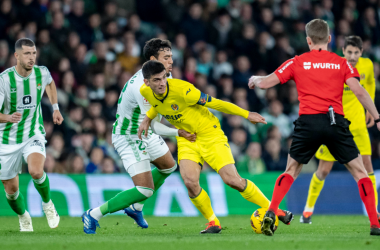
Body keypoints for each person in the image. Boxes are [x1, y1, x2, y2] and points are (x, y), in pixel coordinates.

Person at [248, 19, 380, 236]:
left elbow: (266, 82)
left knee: (291, 170)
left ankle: (271, 211)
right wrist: (377, 116)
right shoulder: (341, 62)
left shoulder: (297, 61)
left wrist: (255, 79)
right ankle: (375, 224)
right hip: (335, 121)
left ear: (308, 40)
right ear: (329, 39)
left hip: (308, 122)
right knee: (360, 172)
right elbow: (359, 91)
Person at [138, 60, 294, 234]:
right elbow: (157, 105)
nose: (161, 83)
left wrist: (246, 114)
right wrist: (147, 119)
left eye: (163, 78)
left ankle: (274, 210)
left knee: (232, 180)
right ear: (147, 82)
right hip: (187, 139)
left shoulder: (184, 90)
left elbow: (216, 103)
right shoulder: (145, 91)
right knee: (190, 182)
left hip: (210, 134)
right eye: (157, 80)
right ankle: (213, 222)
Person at [81, 38, 195, 234]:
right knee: (145, 189)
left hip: (147, 131)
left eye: (171, 57)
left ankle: (136, 208)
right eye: (166, 57)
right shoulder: (142, 88)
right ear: (152, 59)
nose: (171, 61)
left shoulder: (161, 76)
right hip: (129, 135)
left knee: (169, 166)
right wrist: (179, 132)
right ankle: (93, 214)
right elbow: (154, 124)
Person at [300, 36, 379, 224]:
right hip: (335, 125)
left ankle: (374, 212)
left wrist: (370, 108)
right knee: (323, 170)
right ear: (342, 51)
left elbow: (369, 86)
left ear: (362, 52)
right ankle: (307, 211)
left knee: (367, 167)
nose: (352, 56)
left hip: (359, 126)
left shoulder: (367, 65)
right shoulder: (333, 66)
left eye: (356, 52)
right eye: (349, 52)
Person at [0, 38, 63, 232]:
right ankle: (23, 216)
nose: (32, 57)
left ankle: (48, 204)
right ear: (16, 56)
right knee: (11, 193)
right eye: (27, 53)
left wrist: (55, 108)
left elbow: (50, 84)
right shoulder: (4, 80)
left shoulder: (41, 72)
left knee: (36, 171)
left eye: (34, 53)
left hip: (32, 133)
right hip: (6, 140)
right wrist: (8, 117)